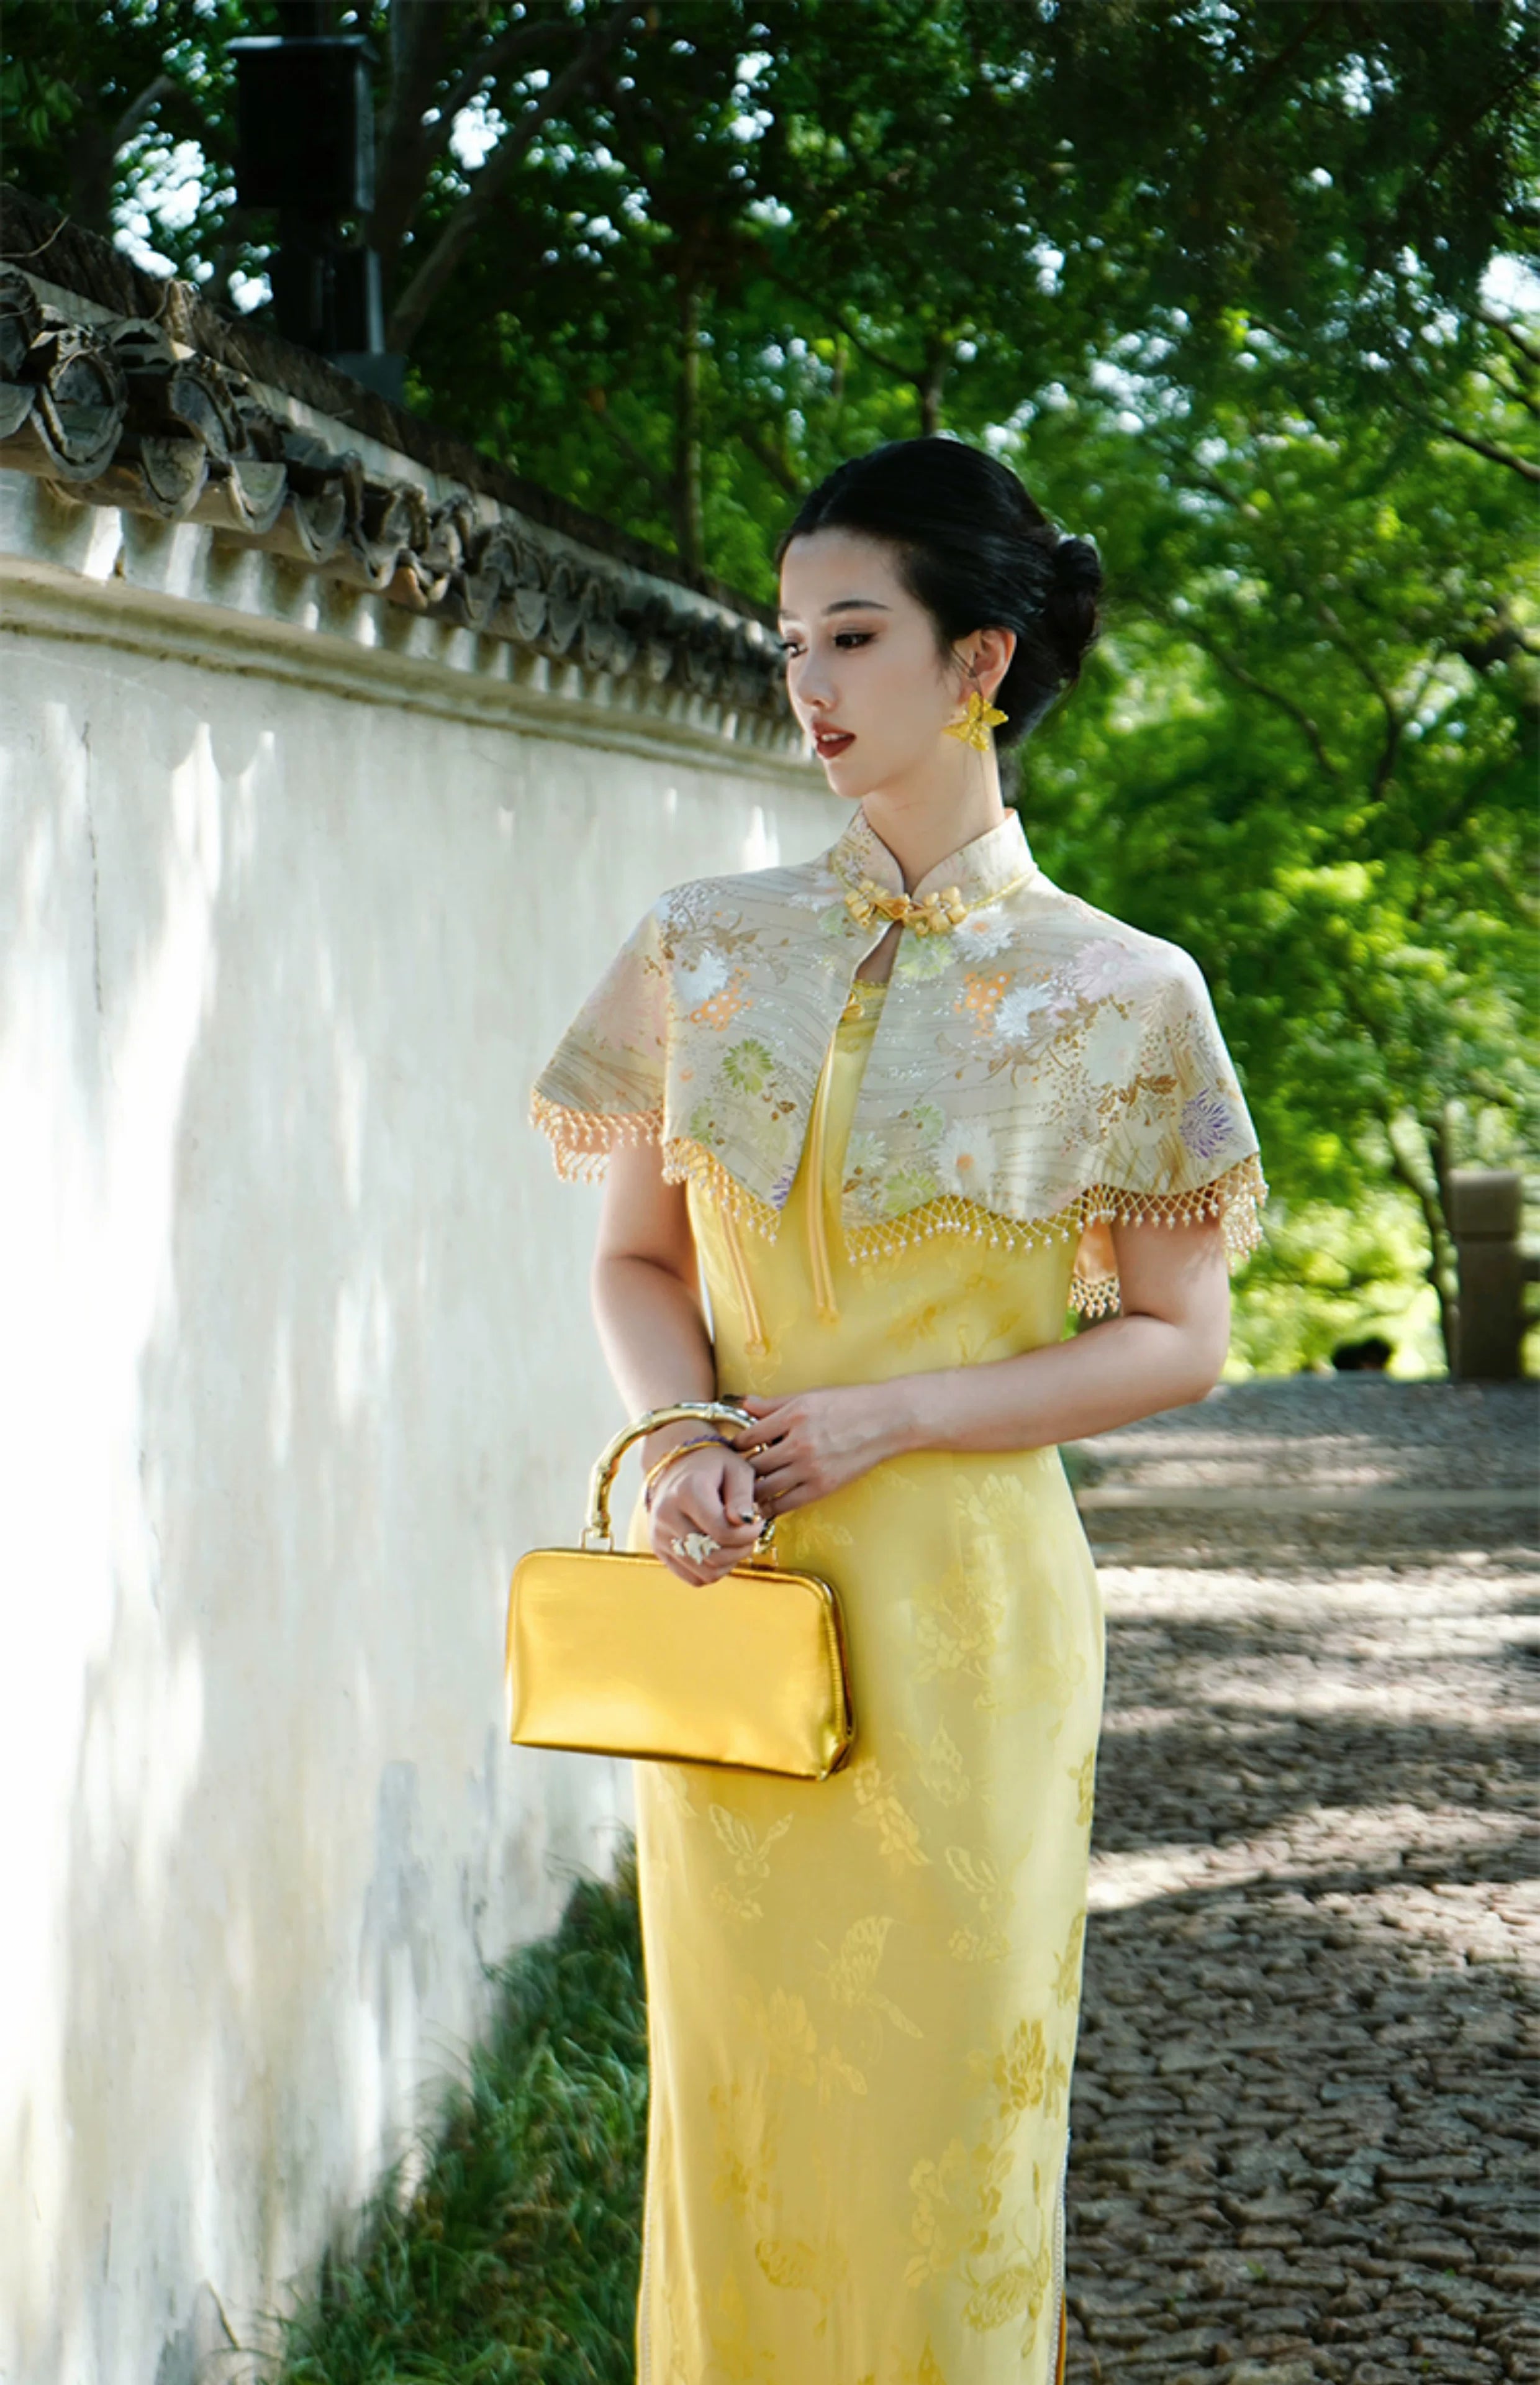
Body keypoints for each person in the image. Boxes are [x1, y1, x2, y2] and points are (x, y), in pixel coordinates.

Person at [531, 435, 1267, 2385]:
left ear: (980, 661)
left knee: (950, 2137)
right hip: (738, 1607)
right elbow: (640, 1266)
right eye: (791, 643)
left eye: (853, 635)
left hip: (976, 1624)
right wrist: (679, 1444)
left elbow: (1177, 1339)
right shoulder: (705, 947)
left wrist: (898, 1415)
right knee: (745, 2115)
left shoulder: (1126, 991)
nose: (811, 683)